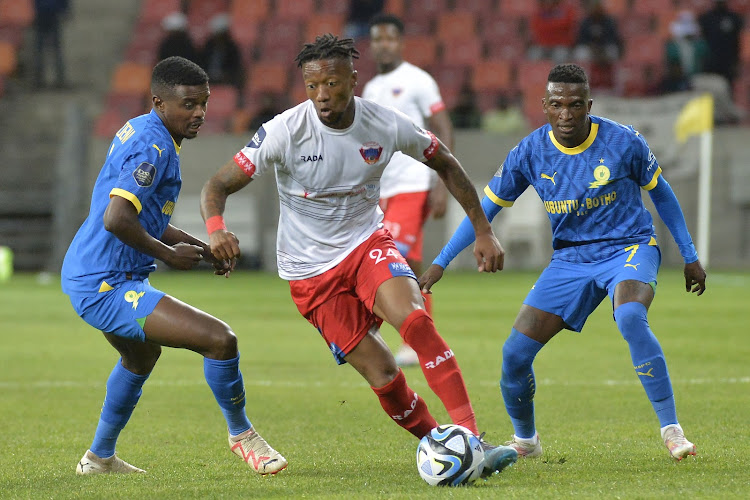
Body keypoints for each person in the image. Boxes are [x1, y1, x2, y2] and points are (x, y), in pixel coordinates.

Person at [201, 34, 518, 477]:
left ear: (353, 78)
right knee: (384, 373)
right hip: (309, 273)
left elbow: (445, 160)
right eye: (312, 87)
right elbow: (216, 186)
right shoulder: (283, 131)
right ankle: (439, 445)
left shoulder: (385, 123)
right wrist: (217, 229)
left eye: (331, 83)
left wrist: (483, 229)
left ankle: (472, 440)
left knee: (416, 321)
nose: (322, 95)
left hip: (367, 243)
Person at [420, 63, 707, 461]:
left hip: (629, 247)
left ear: (588, 104)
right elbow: (483, 211)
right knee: (514, 355)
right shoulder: (530, 152)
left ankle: (671, 429)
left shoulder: (624, 142)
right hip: (571, 258)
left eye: (575, 105)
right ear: (545, 106)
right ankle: (526, 442)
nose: (567, 114)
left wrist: (690, 256)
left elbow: (663, 195)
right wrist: (440, 262)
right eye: (557, 105)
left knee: (628, 317)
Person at [61, 56, 286, 476]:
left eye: (203, 103)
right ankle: (243, 436)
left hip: (94, 272)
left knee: (141, 357)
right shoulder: (154, 146)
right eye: (188, 104)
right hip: (104, 282)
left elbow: (146, 218)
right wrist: (168, 256)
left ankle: (98, 459)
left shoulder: (146, 130)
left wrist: (201, 248)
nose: (199, 113)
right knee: (220, 340)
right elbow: (116, 218)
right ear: (160, 102)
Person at [362, 14, 452, 366]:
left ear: (400, 42)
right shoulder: (370, 89)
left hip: (414, 182)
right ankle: (418, 337)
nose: (382, 44)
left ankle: (408, 341)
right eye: (377, 39)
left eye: (388, 38)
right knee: (405, 263)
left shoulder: (418, 80)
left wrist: (442, 180)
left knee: (394, 258)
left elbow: (441, 125)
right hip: (382, 188)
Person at [573, 0, 622, 89]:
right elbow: (580, 39)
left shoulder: (609, 21)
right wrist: (591, 46)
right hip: (590, 49)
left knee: (613, 52)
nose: (596, 10)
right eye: (594, 8)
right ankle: (583, 86)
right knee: (581, 53)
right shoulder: (585, 21)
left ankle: (616, 86)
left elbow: (613, 38)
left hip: (605, 48)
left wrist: (601, 48)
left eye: (598, 8)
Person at [698, 0, 744, 90]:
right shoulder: (706, 18)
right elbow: (701, 43)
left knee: (727, 91)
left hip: (728, 63)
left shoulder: (734, 18)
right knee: (711, 91)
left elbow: (737, 42)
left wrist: (736, 62)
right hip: (711, 63)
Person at [200, 13, 244, 93]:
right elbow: (202, 63)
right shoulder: (209, 46)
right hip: (208, 80)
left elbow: (235, 67)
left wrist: (226, 75)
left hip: (225, 82)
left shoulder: (232, 48)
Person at [33, 0, 69, 88]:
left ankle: (39, 79)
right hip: (52, 14)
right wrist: (65, 10)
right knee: (55, 50)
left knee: (40, 50)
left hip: (41, 14)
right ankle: (59, 79)